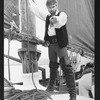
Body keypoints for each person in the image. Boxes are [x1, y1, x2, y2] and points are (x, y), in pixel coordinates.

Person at [28, 0, 76, 100]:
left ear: (56, 5)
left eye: (54, 7)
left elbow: (61, 20)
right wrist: (30, 2)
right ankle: (51, 87)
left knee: (67, 68)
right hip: (51, 46)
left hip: (60, 45)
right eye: (50, 8)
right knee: (52, 66)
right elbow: (38, 12)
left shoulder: (62, 14)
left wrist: (56, 19)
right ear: (47, 8)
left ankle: (73, 94)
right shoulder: (47, 17)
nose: (52, 9)